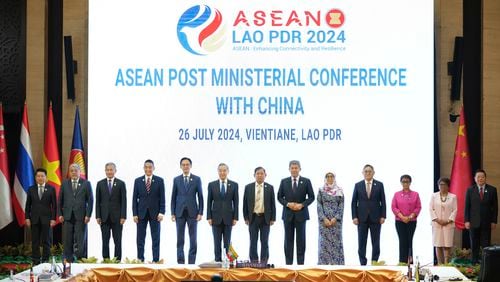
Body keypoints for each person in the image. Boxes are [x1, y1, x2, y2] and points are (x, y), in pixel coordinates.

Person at [277, 160, 315, 265]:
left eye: (296, 168)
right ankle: (288, 265)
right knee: (288, 241)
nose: (294, 170)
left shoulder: (306, 181)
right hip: (287, 215)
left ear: (300, 169)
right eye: (292, 168)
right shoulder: (284, 181)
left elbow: (312, 197)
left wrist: (302, 205)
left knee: (301, 241)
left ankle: (300, 265)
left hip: (301, 215)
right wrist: (288, 204)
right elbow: (279, 197)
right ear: (289, 169)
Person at [351, 164, 386, 265]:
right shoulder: (358, 185)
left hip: (376, 218)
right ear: (362, 173)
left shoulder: (379, 184)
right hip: (361, 218)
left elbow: (383, 201)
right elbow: (354, 202)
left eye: (370, 171)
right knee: (361, 242)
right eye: (365, 171)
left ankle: (374, 261)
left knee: (376, 242)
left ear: (373, 173)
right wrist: (354, 216)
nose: (368, 173)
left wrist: (383, 216)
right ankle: (363, 262)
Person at [170, 157, 204, 264]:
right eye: (183, 164)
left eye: (187, 164)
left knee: (193, 239)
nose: (185, 166)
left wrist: (200, 212)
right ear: (181, 166)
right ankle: (180, 262)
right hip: (179, 212)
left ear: (190, 166)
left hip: (193, 213)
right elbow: (173, 197)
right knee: (180, 239)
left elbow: (201, 197)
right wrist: (172, 213)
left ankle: (191, 262)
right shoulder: (176, 179)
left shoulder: (197, 179)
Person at [58, 163, 93, 262]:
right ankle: (68, 260)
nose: (73, 172)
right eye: (71, 170)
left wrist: (88, 215)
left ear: (79, 172)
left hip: (81, 216)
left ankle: (81, 259)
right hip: (67, 216)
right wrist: (60, 214)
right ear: (69, 172)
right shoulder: (64, 183)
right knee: (67, 239)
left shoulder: (86, 183)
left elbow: (90, 200)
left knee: (80, 239)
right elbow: (60, 200)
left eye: (75, 170)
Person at [132, 159, 165, 263]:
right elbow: (134, 198)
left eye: (150, 167)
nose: (148, 169)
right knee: (140, 239)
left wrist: (161, 212)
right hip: (141, 214)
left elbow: (162, 197)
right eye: (146, 167)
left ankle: (155, 260)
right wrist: (135, 214)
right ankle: (140, 259)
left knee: (156, 238)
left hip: (155, 214)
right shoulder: (138, 181)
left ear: (153, 168)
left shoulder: (159, 180)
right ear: (143, 168)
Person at [243, 166, 276, 263]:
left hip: (265, 218)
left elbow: (272, 204)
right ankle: (253, 261)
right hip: (253, 218)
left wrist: (273, 218)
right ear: (254, 175)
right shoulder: (248, 187)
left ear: (265, 175)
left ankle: (264, 261)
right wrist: (246, 217)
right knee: (253, 241)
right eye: (258, 173)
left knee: (264, 241)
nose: (260, 175)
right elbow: (245, 204)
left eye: (262, 173)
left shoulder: (269, 187)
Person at [207, 163, 239, 262]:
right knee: (216, 242)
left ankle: (229, 261)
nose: (222, 172)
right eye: (220, 170)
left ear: (227, 171)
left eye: (224, 170)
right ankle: (217, 260)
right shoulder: (212, 185)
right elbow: (209, 201)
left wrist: (235, 217)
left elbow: (236, 202)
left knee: (227, 242)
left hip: (229, 217)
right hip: (215, 217)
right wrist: (209, 217)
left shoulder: (234, 185)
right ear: (218, 172)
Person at [464, 169, 498, 263]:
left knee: (485, 244)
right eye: (478, 177)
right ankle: (474, 263)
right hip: (473, 221)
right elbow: (467, 206)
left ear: (485, 178)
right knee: (474, 244)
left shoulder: (492, 190)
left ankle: (485, 264)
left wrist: (494, 221)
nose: (480, 179)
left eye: (482, 177)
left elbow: (495, 207)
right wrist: (466, 220)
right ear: (475, 179)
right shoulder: (470, 190)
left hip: (487, 222)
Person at [95, 162, 127, 261]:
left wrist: (123, 216)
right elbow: (98, 201)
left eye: (111, 169)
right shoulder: (100, 183)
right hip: (104, 217)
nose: (109, 171)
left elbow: (124, 201)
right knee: (105, 240)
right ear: (105, 171)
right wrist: (98, 216)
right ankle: (106, 260)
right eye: (107, 170)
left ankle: (117, 260)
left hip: (117, 217)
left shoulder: (121, 183)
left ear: (115, 171)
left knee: (117, 241)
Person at [25, 168, 57, 265]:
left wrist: (53, 219)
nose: (40, 178)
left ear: (46, 177)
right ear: (35, 178)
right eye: (38, 176)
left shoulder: (51, 189)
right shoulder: (31, 189)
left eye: (42, 176)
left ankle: (45, 260)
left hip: (47, 219)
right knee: (35, 241)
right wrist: (27, 217)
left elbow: (54, 205)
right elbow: (27, 205)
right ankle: (36, 260)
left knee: (46, 241)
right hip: (34, 219)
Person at [391, 174, 422, 264]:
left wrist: (410, 216)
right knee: (402, 240)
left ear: (410, 183)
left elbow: (418, 207)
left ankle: (410, 262)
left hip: (411, 221)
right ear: (401, 183)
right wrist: (402, 217)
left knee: (409, 240)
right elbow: (394, 207)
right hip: (400, 221)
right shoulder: (396, 194)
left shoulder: (415, 194)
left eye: (407, 181)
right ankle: (402, 262)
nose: (405, 183)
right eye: (403, 181)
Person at [317, 172, 344, 265]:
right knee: (324, 243)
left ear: (334, 178)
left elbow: (341, 205)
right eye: (327, 176)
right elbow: (319, 205)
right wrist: (324, 218)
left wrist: (335, 218)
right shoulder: (321, 190)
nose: (329, 178)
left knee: (336, 243)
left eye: (331, 176)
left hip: (336, 222)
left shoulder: (339, 191)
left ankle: (336, 265)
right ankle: (323, 266)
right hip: (324, 222)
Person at [430, 177, 457, 264]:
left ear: (448, 186)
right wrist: (437, 220)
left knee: (447, 244)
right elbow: (431, 209)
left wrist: (448, 220)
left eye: (444, 184)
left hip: (448, 224)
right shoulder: (434, 196)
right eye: (440, 184)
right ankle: (439, 263)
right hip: (437, 224)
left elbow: (455, 210)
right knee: (438, 244)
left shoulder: (453, 197)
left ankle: (446, 263)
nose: (442, 186)